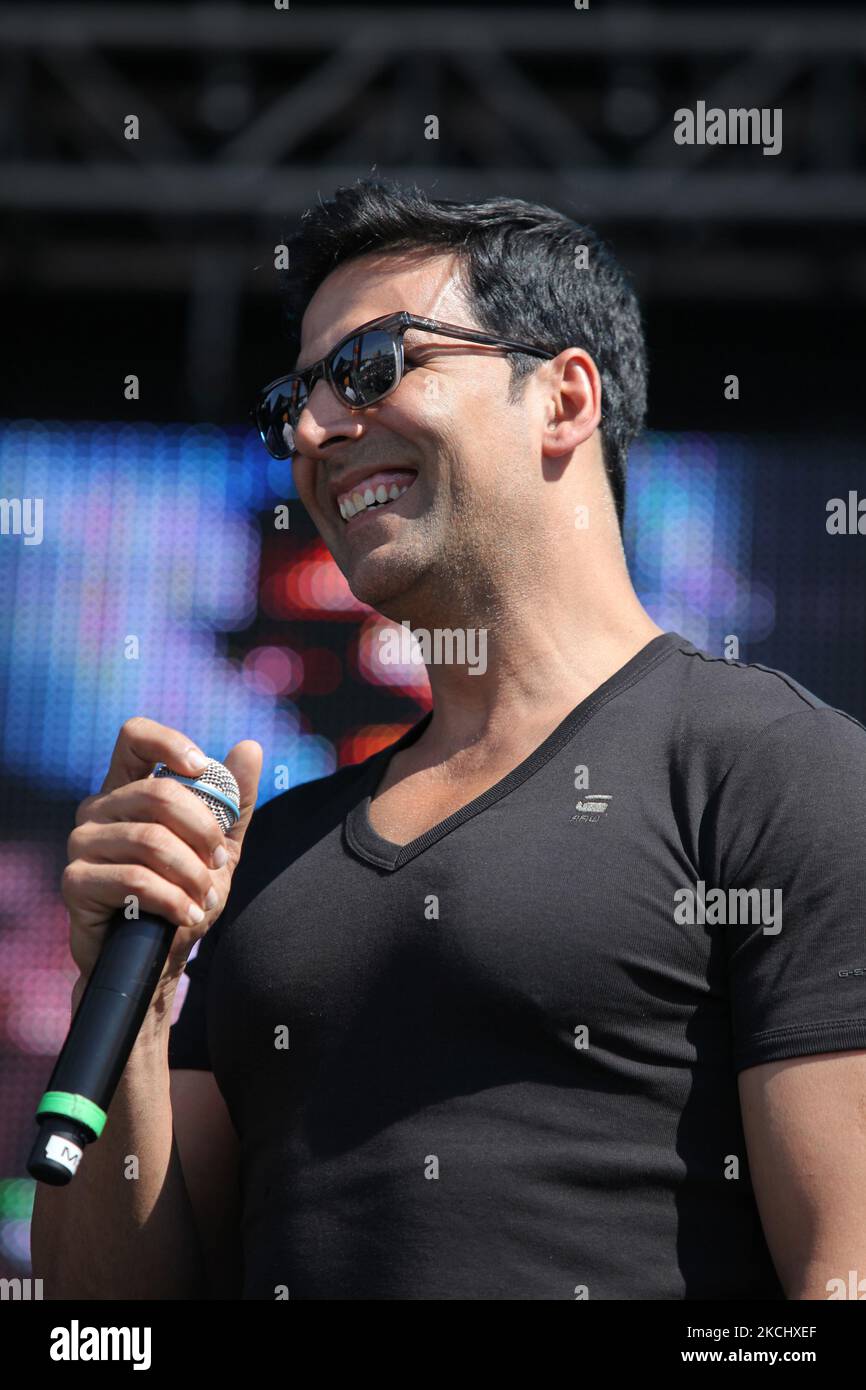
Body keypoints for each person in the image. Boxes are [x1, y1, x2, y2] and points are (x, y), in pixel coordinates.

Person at [34, 179, 866, 1300]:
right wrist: (120, 1008)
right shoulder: (267, 861)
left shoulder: (771, 770)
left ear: (564, 398)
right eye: (297, 401)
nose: (319, 429)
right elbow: (110, 1323)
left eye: (374, 365)